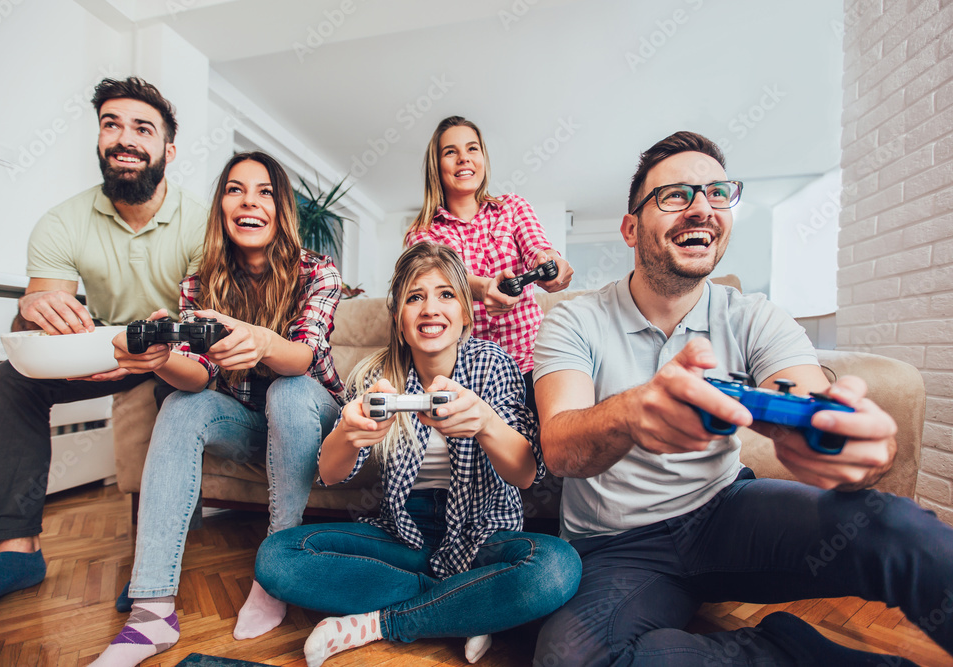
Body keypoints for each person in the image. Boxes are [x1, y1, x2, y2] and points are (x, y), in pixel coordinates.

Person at [531, 130, 953, 666]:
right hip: (618, 549)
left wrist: (846, 444)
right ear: (630, 228)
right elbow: (561, 446)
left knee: (898, 528)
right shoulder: (575, 318)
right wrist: (632, 414)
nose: (701, 208)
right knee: (570, 660)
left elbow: (808, 397)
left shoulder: (753, 315)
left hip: (727, 514)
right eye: (676, 195)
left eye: (716, 193)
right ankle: (786, 651)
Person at [0, 77, 206, 628]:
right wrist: (35, 309)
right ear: (98, 141)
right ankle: (18, 552)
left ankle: (152, 560)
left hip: (174, 354)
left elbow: (201, 330)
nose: (125, 138)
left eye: (143, 128)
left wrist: (159, 353)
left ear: (169, 149)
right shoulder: (61, 222)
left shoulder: (202, 224)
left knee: (180, 393)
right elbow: (42, 326)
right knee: (10, 381)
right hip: (102, 350)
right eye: (111, 124)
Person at [254, 243, 581, 667]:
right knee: (277, 558)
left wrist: (484, 421)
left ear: (466, 312)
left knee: (557, 567)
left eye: (446, 295)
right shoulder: (377, 376)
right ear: (399, 320)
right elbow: (330, 474)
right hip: (403, 532)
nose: (431, 308)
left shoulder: (493, 364)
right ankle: (471, 604)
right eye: (414, 297)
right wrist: (350, 434)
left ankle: (377, 623)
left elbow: (524, 473)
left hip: (483, 534)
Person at [90, 151, 345, 666]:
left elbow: (305, 357)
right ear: (221, 206)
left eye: (265, 191)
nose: (249, 201)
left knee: (287, 391)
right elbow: (198, 372)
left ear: (282, 210)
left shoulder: (316, 272)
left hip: (312, 417)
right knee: (183, 404)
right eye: (234, 189)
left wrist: (262, 342)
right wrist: (160, 360)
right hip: (249, 422)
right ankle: (151, 613)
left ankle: (275, 573)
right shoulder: (201, 281)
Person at [405, 116, 574, 411]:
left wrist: (551, 262)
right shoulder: (422, 233)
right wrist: (483, 288)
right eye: (450, 152)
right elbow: (440, 277)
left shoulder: (512, 207)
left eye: (472, 149)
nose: (463, 159)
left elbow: (538, 247)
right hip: (470, 372)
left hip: (532, 362)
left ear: (483, 157)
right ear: (437, 165)